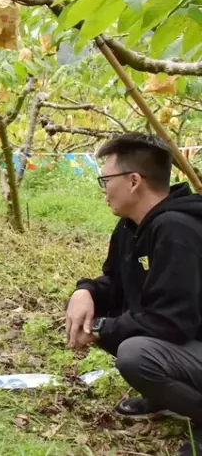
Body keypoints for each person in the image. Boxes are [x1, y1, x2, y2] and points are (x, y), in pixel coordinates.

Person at [64, 133, 202, 456]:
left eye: (105, 179)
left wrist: (98, 330)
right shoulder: (131, 226)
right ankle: (165, 398)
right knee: (109, 321)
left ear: (134, 181)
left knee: (135, 353)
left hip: (190, 338)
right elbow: (114, 284)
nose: (103, 189)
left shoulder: (177, 231)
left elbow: (171, 322)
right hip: (188, 344)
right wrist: (85, 291)